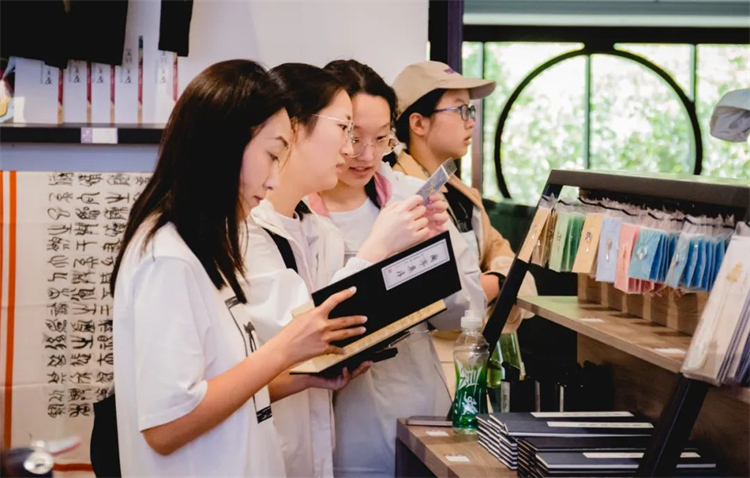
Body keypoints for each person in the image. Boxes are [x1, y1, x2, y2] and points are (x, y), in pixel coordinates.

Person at [111, 60, 368, 477]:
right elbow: (166, 425)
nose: (273, 180)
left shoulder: (205, 248)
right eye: (272, 155)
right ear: (226, 145)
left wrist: (303, 378)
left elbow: (221, 386)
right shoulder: (168, 259)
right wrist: (283, 350)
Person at [241, 63, 446, 478]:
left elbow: (334, 341)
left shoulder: (319, 232)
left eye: (376, 137)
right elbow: (302, 332)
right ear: (292, 129)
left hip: (320, 440)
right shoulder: (246, 231)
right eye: (345, 129)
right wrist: (377, 247)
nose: (354, 150)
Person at [302, 59, 485, 478]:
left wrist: (434, 256)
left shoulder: (412, 198)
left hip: (417, 405)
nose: (366, 155)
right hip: (333, 419)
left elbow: (468, 311)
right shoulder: (296, 211)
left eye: (381, 138)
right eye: (353, 137)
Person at [391, 60, 537, 332]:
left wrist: (491, 284)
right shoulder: (399, 193)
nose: (471, 122)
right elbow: (437, 299)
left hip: (470, 348)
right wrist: (498, 283)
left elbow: (516, 269)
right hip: (432, 351)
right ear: (418, 123)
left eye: (470, 110)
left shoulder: (462, 193)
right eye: (460, 110)